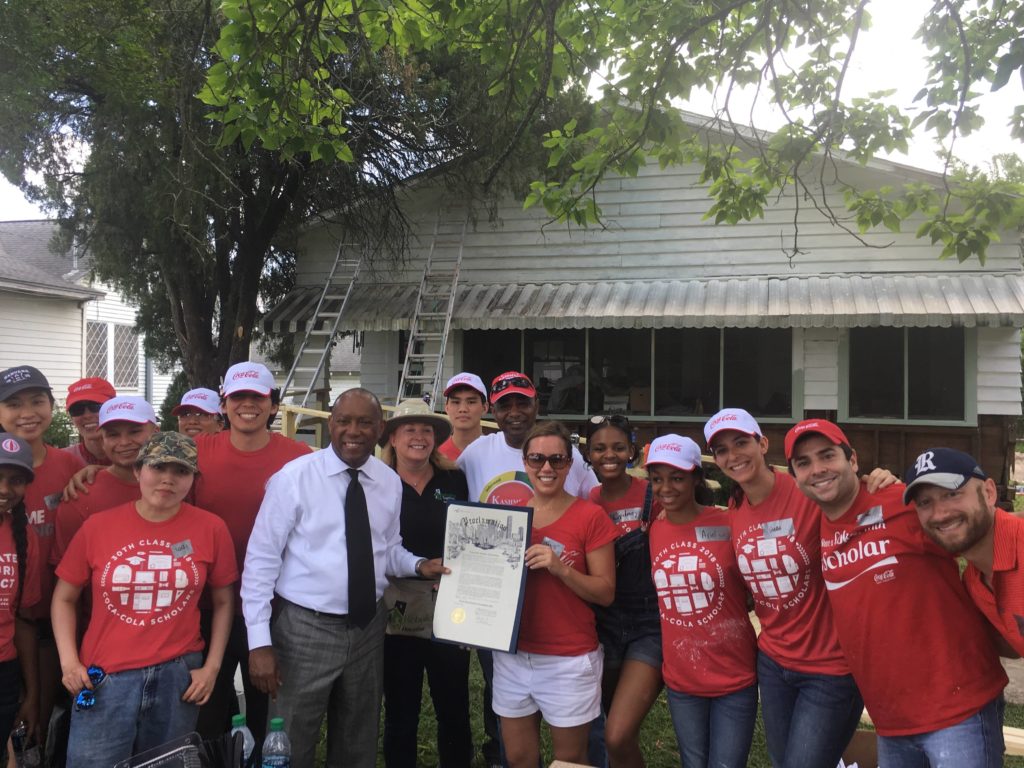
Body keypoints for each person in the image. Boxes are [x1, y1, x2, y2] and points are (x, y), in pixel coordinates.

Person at [242, 388, 447, 768]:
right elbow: (260, 562)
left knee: (357, 741)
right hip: (304, 630)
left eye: (364, 422)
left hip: (368, 628)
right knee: (290, 743)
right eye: (344, 421)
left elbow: (386, 548)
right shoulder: (294, 479)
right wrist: (259, 643)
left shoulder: (387, 482)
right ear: (331, 424)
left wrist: (420, 565)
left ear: (379, 429)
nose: (353, 431)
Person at [785, 419, 1008, 768]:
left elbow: (977, 531)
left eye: (827, 455)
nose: (818, 469)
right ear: (796, 477)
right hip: (891, 720)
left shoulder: (901, 502)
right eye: (804, 463)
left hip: (957, 707)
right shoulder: (817, 524)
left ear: (853, 461)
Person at [52, 432, 237, 766]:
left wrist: (211, 667)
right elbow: (64, 598)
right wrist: (69, 662)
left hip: (178, 678)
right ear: (138, 471)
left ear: (192, 480)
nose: (168, 478)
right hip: (106, 679)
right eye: (158, 467)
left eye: (180, 471)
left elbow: (224, 601)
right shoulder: (98, 527)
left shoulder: (211, 529)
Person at [703, 407, 866, 768]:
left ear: (763, 444)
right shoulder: (736, 502)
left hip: (830, 666)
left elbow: (859, 502)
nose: (733, 455)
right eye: (722, 450)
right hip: (774, 662)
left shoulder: (808, 491)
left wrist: (880, 478)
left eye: (741, 442)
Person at [456, 371, 598, 766]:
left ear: (537, 404)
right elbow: (455, 512)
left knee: (577, 730)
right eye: (505, 405)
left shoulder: (570, 457)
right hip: (496, 605)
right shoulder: (475, 455)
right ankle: (498, 753)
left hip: (560, 610)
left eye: (523, 403)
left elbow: (590, 511)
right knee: (500, 696)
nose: (515, 412)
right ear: (494, 411)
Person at [192, 362, 311, 742]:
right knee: (207, 707)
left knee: (269, 709)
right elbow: (140, 472)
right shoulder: (196, 452)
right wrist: (88, 470)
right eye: (238, 397)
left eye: (257, 398)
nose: (248, 406)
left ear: (273, 405)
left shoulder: (300, 457)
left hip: (276, 605)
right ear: (223, 405)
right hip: (209, 604)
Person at [492, 421, 617, 768]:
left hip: (568, 659)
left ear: (569, 463)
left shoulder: (589, 516)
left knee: (571, 761)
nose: (546, 468)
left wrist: (561, 568)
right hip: (513, 655)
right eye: (537, 459)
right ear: (525, 461)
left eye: (557, 460)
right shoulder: (508, 517)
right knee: (518, 758)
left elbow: (605, 592)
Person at [646, 435, 757, 768]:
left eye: (677, 477)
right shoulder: (654, 529)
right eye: (657, 479)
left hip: (733, 675)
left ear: (697, 476)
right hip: (682, 679)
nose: (666, 488)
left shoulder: (727, 522)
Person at [378, 399, 472, 768]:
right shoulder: (378, 482)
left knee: (454, 704)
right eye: (409, 429)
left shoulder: (455, 479)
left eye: (426, 430)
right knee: (402, 708)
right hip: (397, 606)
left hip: (450, 602)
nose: (419, 437)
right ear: (393, 438)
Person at [0, 366, 81, 753]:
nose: (27, 412)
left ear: (52, 405)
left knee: (38, 727)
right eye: (13, 404)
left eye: (37, 401)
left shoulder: (71, 466)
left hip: (52, 623)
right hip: (13, 624)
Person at [585, 414, 662, 768]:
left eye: (618, 447)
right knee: (607, 726)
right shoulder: (586, 501)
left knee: (618, 733)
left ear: (632, 451)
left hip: (649, 624)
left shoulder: (654, 494)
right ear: (588, 454)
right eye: (599, 448)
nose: (609, 455)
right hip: (601, 622)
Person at [903, 447, 1024, 656]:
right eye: (925, 502)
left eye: (952, 494)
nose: (939, 514)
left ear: (989, 492)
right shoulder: (973, 580)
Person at [53, 396, 157, 561]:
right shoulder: (80, 496)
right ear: (102, 441)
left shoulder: (178, 486)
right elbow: (65, 569)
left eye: (135, 431)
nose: (124, 442)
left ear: (156, 432)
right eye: (113, 435)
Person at [0, 434, 41, 755]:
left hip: (5, 672)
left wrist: (31, 693)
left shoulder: (25, 536)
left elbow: (24, 621)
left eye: (15, 480)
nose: (4, 489)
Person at [62, 378, 116, 468]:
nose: (87, 415)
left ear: (114, 408)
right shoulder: (62, 461)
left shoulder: (137, 457)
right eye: (77, 409)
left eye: (95, 406)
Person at [439, 373, 488, 461]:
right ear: (447, 408)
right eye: (456, 402)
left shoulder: (498, 452)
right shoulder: (435, 456)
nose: (463, 409)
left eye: (471, 402)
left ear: (484, 408)